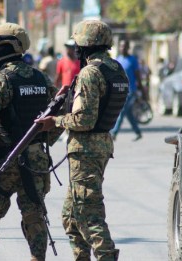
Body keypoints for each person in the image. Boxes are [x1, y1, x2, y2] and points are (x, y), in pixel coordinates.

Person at [35, 20, 124, 261]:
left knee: (88, 214)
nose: (75, 49)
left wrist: (56, 121)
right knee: (70, 216)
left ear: (86, 44)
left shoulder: (90, 73)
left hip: (86, 149)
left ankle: (107, 256)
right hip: (100, 144)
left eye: (77, 44)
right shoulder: (115, 69)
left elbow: (84, 120)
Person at [0, 22, 60, 261]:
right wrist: (41, 142)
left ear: (8, 48)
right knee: (34, 215)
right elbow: (56, 121)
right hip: (36, 159)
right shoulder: (42, 79)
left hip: (6, 161)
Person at [109, 40, 144, 141]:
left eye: (124, 46)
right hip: (120, 90)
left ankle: (114, 133)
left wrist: (141, 90)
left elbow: (137, 75)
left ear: (128, 47)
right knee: (128, 113)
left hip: (130, 91)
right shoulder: (118, 60)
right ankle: (138, 132)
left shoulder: (133, 60)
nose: (122, 48)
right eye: (121, 46)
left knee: (122, 111)